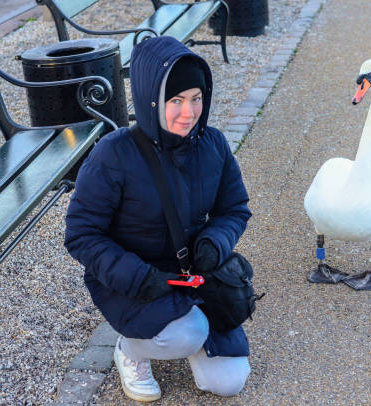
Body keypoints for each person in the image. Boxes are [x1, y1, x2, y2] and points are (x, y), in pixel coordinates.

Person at [64, 36, 252, 402]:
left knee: (229, 383)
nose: (189, 112)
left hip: (196, 276)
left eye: (196, 98)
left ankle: (191, 328)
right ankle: (131, 351)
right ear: (152, 101)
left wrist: (215, 242)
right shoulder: (113, 154)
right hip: (136, 278)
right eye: (176, 101)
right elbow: (82, 235)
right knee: (187, 333)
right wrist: (138, 278)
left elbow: (235, 209)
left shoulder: (213, 144)